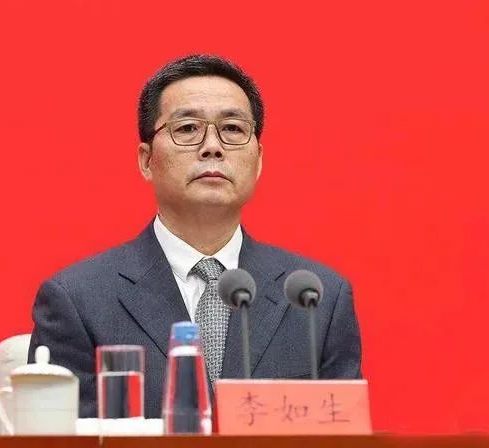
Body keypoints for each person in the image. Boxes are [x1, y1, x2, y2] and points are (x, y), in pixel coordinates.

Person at [28, 54, 362, 418]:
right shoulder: (79, 300)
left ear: (259, 160)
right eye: (187, 128)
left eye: (233, 129)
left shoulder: (317, 300)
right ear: (146, 160)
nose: (212, 146)